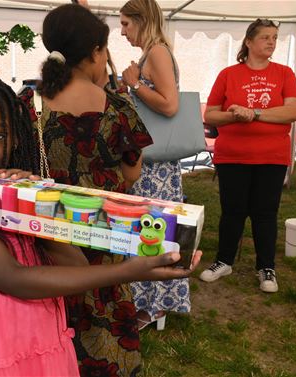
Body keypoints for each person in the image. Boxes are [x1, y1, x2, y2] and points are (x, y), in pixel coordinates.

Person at [0, 74, 201, 376]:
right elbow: (12, 278)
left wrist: (38, 207)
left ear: (15, 137)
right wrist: (128, 271)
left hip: (45, 356)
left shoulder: (17, 197)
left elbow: (77, 266)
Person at [37, 4, 154, 375]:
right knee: (107, 299)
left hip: (53, 226)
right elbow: (131, 174)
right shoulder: (117, 107)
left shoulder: (34, 104)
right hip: (107, 224)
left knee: (60, 304)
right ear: (95, 52)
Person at [199, 19, 296, 293]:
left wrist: (254, 112)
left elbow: (293, 112)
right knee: (232, 211)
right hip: (233, 155)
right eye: (265, 37)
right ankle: (224, 260)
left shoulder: (284, 73)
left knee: (265, 212)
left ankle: (266, 267)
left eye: (275, 37)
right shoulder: (229, 74)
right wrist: (235, 115)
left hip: (272, 156)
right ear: (249, 42)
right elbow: (210, 114)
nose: (271, 42)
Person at [119, 0, 191, 332]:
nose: (122, 32)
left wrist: (135, 85)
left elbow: (170, 104)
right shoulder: (152, 54)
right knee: (147, 232)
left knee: (155, 232)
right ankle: (147, 301)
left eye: (126, 24)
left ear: (141, 20)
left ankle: (157, 305)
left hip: (156, 165)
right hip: (150, 163)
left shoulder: (158, 53)